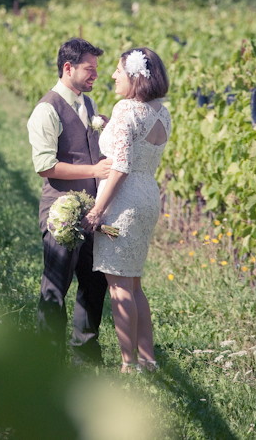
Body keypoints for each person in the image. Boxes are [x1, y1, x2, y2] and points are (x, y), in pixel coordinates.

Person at [83, 47, 171, 373]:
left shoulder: (125, 110)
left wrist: (96, 210)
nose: (112, 76)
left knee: (119, 287)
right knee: (134, 284)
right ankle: (148, 360)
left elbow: (119, 166)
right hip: (148, 193)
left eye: (118, 70)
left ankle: (128, 364)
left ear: (133, 75)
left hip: (123, 200)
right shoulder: (161, 112)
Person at [27, 38, 112, 365]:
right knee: (55, 286)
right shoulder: (46, 109)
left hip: (93, 211)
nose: (95, 75)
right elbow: (44, 166)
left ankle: (85, 355)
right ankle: (47, 361)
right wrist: (93, 169)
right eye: (89, 69)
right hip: (60, 211)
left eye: (97, 69)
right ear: (68, 67)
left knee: (95, 282)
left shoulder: (87, 105)